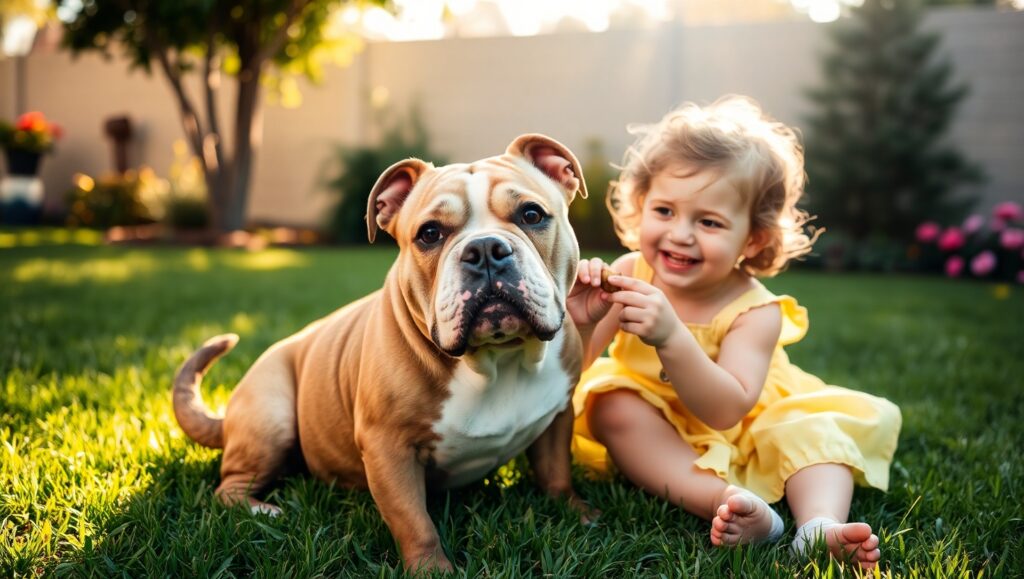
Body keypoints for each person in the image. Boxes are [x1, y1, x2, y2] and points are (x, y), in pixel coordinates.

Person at [567, 95, 901, 570]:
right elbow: (572, 370)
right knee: (612, 406)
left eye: (708, 222)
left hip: (752, 417)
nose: (680, 234)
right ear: (640, 205)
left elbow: (725, 410)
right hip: (659, 422)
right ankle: (730, 503)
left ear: (753, 239)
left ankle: (818, 526)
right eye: (664, 210)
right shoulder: (630, 272)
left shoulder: (756, 309)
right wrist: (583, 321)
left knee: (812, 434)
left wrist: (671, 336)